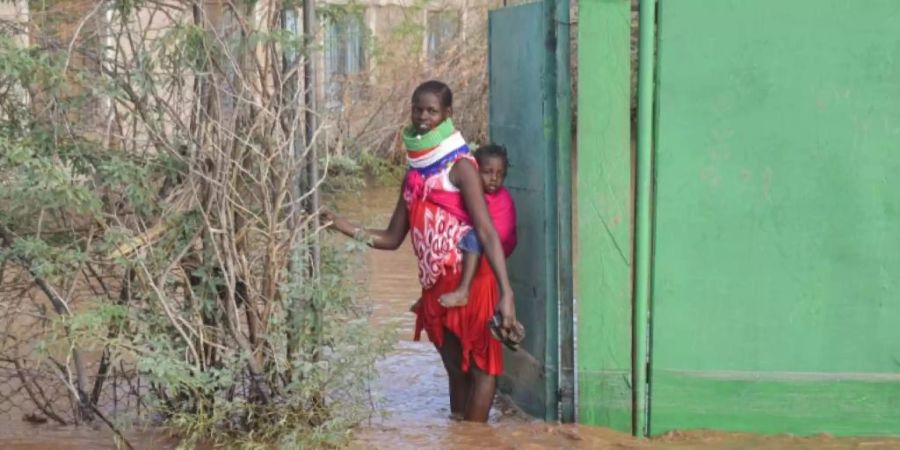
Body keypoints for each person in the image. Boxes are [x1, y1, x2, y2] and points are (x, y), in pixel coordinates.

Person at [324, 80, 517, 422]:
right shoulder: (413, 174)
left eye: (432, 110)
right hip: (436, 290)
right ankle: (460, 434)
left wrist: (507, 294)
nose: (424, 117)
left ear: (447, 115)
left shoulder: (461, 167)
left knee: (484, 368)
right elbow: (391, 237)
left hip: (470, 283)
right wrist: (338, 224)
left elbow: (485, 230)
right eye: (418, 109)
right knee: (456, 371)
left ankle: (475, 442)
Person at [413, 144, 517, 310]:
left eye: (500, 174)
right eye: (487, 172)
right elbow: (453, 206)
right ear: (476, 172)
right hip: (482, 240)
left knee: (471, 237)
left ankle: (463, 290)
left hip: (493, 242)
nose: (494, 179)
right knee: (444, 234)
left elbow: (500, 230)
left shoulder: (502, 198)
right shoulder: (472, 191)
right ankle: (429, 295)